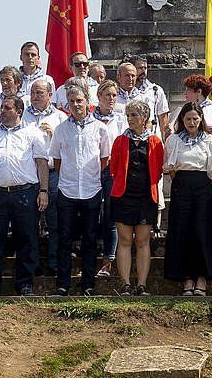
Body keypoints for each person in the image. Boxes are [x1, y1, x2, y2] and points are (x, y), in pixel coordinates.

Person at [0, 95, 49, 296]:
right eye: (2, 108)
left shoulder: (33, 133)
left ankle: (25, 284)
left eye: (7, 108)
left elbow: (42, 163)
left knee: (27, 239)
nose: (2, 111)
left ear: (19, 111)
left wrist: (43, 191)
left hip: (25, 192)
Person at [48, 86, 112, 296]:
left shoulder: (100, 128)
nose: (76, 105)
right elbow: (56, 160)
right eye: (72, 101)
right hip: (67, 190)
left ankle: (88, 284)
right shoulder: (61, 129)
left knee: (90, 239)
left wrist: (90, 175)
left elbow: (105, 158)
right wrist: (69, 174)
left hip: (92, 190)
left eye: (79, 100)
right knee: (64, 238)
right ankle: (63, 284)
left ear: (87, 101)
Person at [163, 103, 212, 295]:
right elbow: (168, 166)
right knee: (182, 230)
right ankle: (187, 277)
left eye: (195, 119)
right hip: (181, 186)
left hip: (202, 187)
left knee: (202, 230)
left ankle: (202, 277)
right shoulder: (173, 140)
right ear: (182, 120)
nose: (191, 122)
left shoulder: (210, 140)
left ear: (201, 120)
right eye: (188, 119)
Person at [108, 101, 163, 295]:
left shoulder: (155, 141)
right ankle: (125, 284)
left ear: (144, 118)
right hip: (124, 196)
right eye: (128, 115)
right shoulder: (120, 141)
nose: (130, 119)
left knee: (142, 240)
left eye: (133, 115)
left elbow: (158, 171)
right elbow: (113, 168)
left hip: (146, 196)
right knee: (124, 240)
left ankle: (141, 284)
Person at [24, 77, 67, 276]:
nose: (35, 96)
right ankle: (31, 264)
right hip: (29, 174)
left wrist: (54, 134)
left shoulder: (59, 117)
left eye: (40, 93)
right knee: (29, 222)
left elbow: (68, 145)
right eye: (33, 92)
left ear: (50, 95)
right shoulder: (22, 116)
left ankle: (53, 262)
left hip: (53, 174)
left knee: (55, 220)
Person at [93, 80, 128, 278]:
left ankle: (109, 259)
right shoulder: (89, 119)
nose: (112, 99)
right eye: (108, 95)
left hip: (114, 171)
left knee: (111, 215)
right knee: (93, 213)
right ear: (98, 97)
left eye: (115, 95)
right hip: (93, 170)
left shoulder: (122, 119)